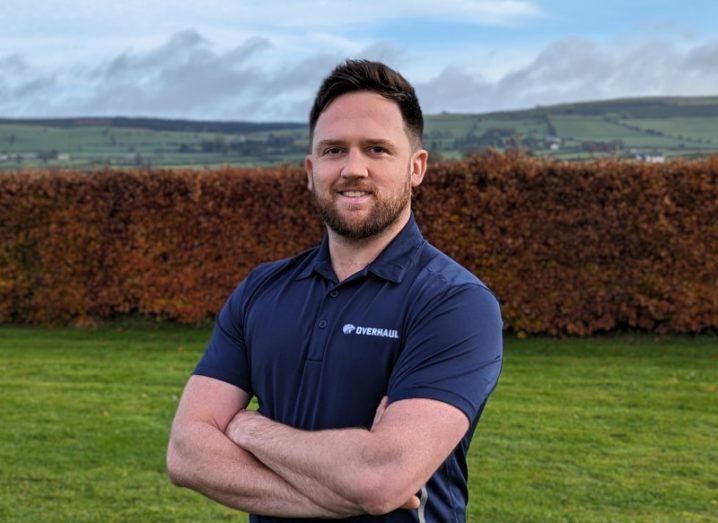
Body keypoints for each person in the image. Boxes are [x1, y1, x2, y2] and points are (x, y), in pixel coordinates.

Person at [167, 59, 503, 522]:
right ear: (310, 169)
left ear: (417, 167)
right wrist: (345, 491)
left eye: (377, 149)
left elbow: (380, 478)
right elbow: (187, 453)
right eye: (333, 150)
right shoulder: (262, 290)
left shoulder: (454, 303)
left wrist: (249, 428)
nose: (353, 169)